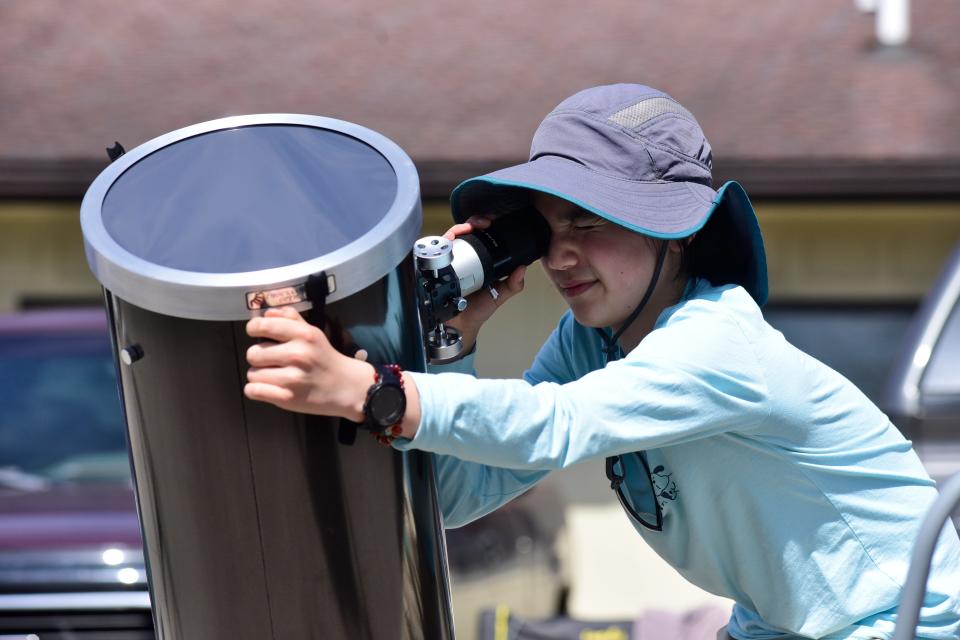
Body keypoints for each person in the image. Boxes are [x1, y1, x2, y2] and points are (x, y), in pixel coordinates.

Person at [243, 84, 960, 639]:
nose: (559, 256)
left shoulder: (716, 342)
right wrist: (453, 345)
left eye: (589, 223)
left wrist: (374, 391)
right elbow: (465, 495)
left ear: (674, 235)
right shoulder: (594, 342)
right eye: (546, 230)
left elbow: (555, 423)